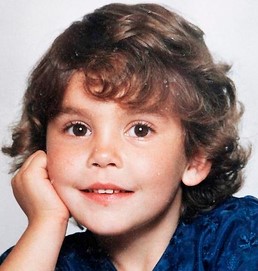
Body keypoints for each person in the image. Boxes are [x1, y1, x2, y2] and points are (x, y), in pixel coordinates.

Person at [0, 3, 257, 270]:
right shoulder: (39, 254)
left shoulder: (240, 236)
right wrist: (47, 221)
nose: (102, 155)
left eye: (140, 130)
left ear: (195, 159)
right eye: (78, 129)